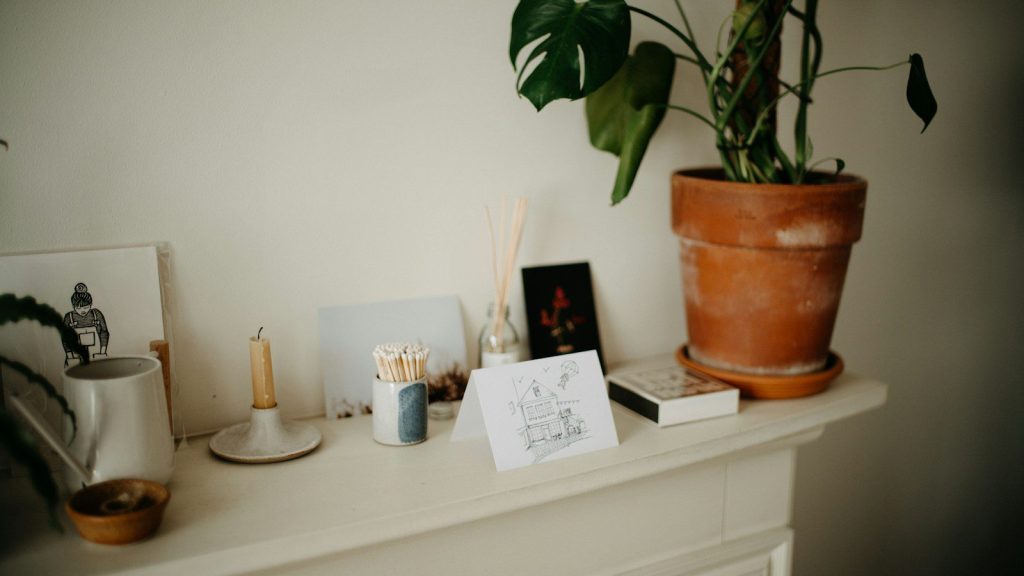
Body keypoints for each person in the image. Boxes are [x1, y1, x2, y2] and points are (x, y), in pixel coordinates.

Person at [63, 282, 109, 365]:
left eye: (86, 307)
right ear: (73, 306)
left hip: (96, 356)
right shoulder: (68, 318)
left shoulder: (96, 314)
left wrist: (102, 352)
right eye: (78, 308)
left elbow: (104, 333)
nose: (82, 311)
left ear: (90, 305)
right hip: (75, 356)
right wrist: (70, 356)